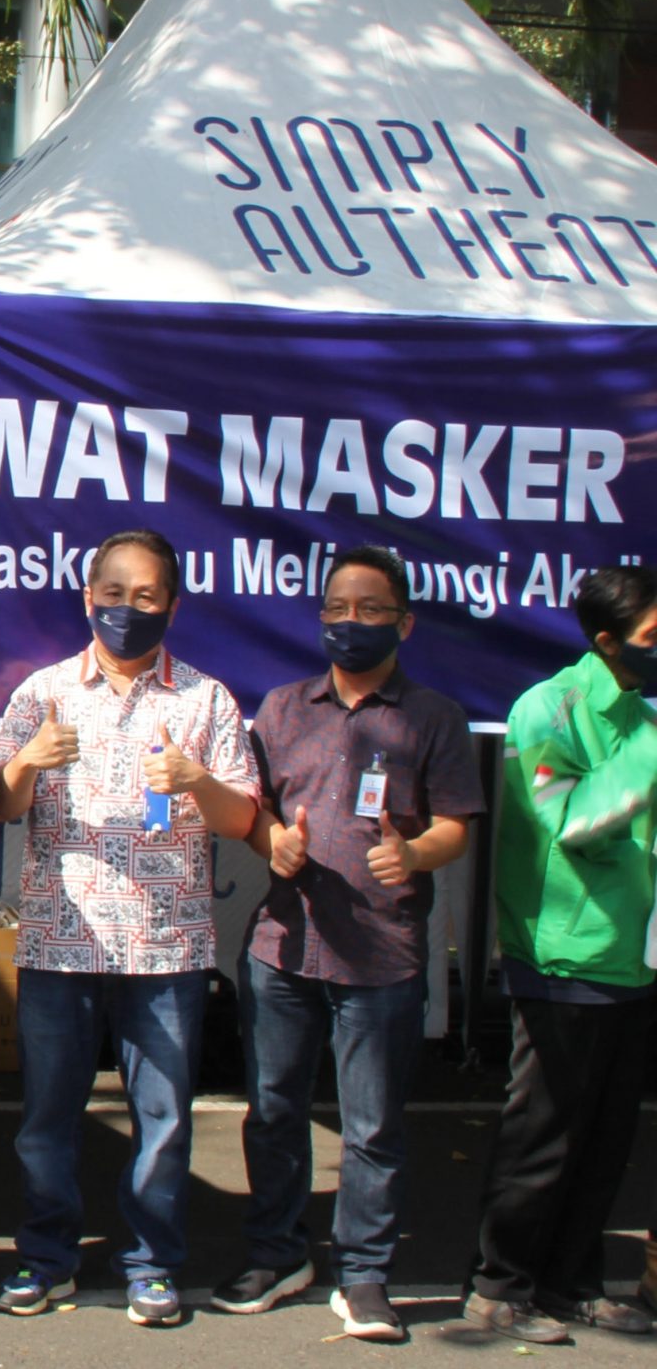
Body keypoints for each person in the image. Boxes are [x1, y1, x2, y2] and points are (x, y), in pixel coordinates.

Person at [0, 528, 259, 1329]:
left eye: (146, 597)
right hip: (58, 940)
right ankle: (46, 1257)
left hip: (166, 947)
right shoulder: (43, 692)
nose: (127, 610)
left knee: (163, 1121)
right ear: (88, 598)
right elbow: (1, 806)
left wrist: (196, 779)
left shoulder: (205, 699)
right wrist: (28, 759)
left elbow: (243, 819)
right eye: (114, 594)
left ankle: (151, 1264)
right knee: (48, 1117)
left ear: (172, 605)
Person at [220, 546, 481, 1342]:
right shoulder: (282, 708)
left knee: (371, 1127)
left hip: (382, 956)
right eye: (336, 608)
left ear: (405, 622)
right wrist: (272, 842)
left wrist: (416, 853)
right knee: (273, 1111)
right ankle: (276, 1254)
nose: (350, 622)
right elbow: (253, 810)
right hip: (283, 947)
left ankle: (364, 1275)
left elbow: (456, 825)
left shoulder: (433, 717)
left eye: (369, 610)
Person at [465, 565, 657, 1344]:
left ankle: (570, 1283)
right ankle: (499, 1288)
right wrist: (649, 753)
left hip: (634, 959)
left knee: (608, 1140)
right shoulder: (549, 707)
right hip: (563, 958)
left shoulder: (641, 713)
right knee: (543, 1136)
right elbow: (571, 821)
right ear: (608, 640)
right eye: (653, 635)